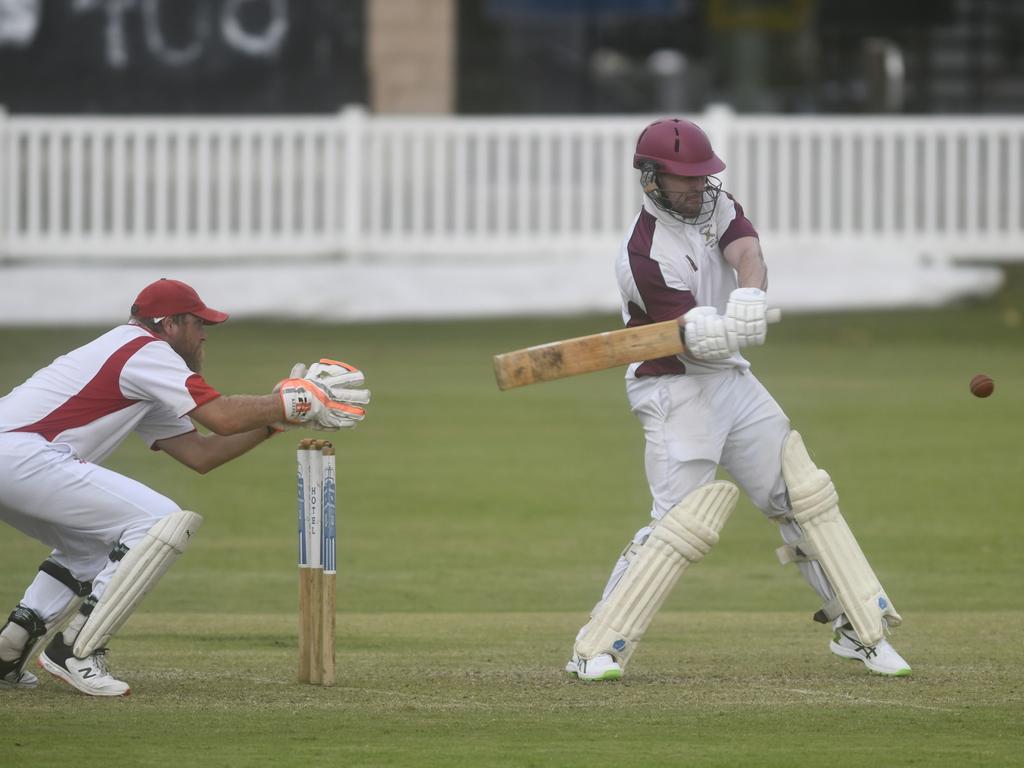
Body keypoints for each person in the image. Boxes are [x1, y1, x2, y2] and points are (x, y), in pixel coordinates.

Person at [564, 118, 910, 682]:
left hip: (731, 378)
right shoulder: (642, 254)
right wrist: (705, 329)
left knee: (803, 497)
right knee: (678, 526)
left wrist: (750, 291)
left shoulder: (714, 205)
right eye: (684, 181)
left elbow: (748, 250)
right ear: (650, 180)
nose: (697, 190)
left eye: (703, 178)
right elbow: (683, 336)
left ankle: (859, 629)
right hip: (673, 385)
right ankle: (596, 648)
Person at [0, 278, 369, 696]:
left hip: (16, 459)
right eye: (198, 324)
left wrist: (279, 418)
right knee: (159, 522)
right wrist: (296, 400)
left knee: (89, 547)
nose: (204, 335)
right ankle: (77, 649)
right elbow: (223, 416)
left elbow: (200, 453)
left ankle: (9, 650)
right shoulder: (144, 350)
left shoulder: (140, 365)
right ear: (170, 324)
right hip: (20, 454)